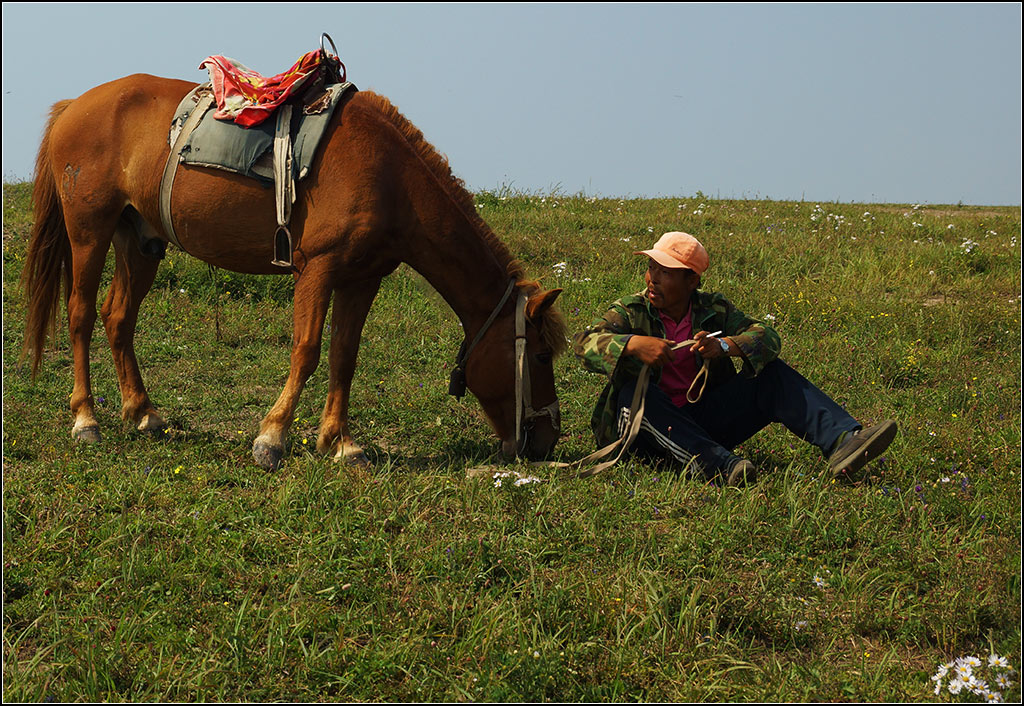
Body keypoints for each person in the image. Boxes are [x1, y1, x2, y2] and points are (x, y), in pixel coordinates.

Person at [572, 231, 897, 486]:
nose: (652, 278)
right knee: (636, 392)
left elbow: (767, 338)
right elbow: (584, 345)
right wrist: (631, 345)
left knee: (771, 375)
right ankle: (720, 466)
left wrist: (725, 347)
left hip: (700, 423)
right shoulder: (631, 310)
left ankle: (844, 440)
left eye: (666, 271)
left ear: (692, 281)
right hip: (642, 437)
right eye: (651, 267)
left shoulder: (713, 309)